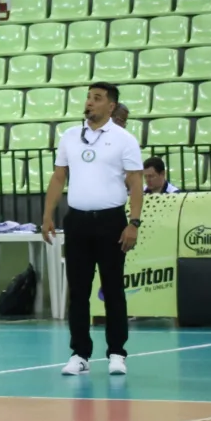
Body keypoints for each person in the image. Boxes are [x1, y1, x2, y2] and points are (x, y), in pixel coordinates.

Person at [42, 81, 143, 378]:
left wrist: (133, 223)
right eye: (88, 97)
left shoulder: (124, 139)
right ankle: (80, 354)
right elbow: (59, 177)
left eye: (96, 98)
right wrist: (48, 214)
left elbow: (136, 182)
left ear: (110, 106)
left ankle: (116, 353)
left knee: (113, 290)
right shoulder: (71, 137)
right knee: (79, 291)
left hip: (111, 221)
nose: (89, 102)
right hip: (78, 221)